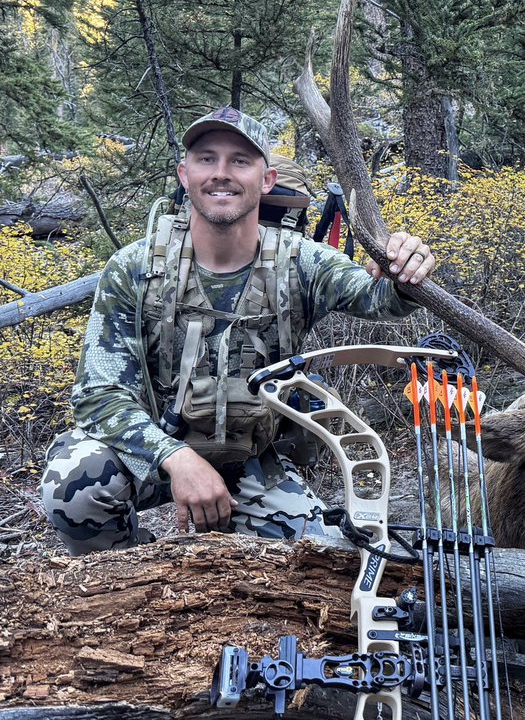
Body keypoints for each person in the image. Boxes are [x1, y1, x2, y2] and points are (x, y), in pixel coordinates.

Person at [41, 107, 435, 555]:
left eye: (240, 161)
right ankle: (129, 566)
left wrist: (404, 265)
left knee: (315, 560)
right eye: (206, 159)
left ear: (265, 179)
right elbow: (98, 394)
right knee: (74, 480)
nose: (221, 174)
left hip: (251, 458)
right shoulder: (135, 267)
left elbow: (379, 300)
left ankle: (239, 535)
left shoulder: (300, 261)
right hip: (154, 455)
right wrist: (178, 458)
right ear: (184, 174)